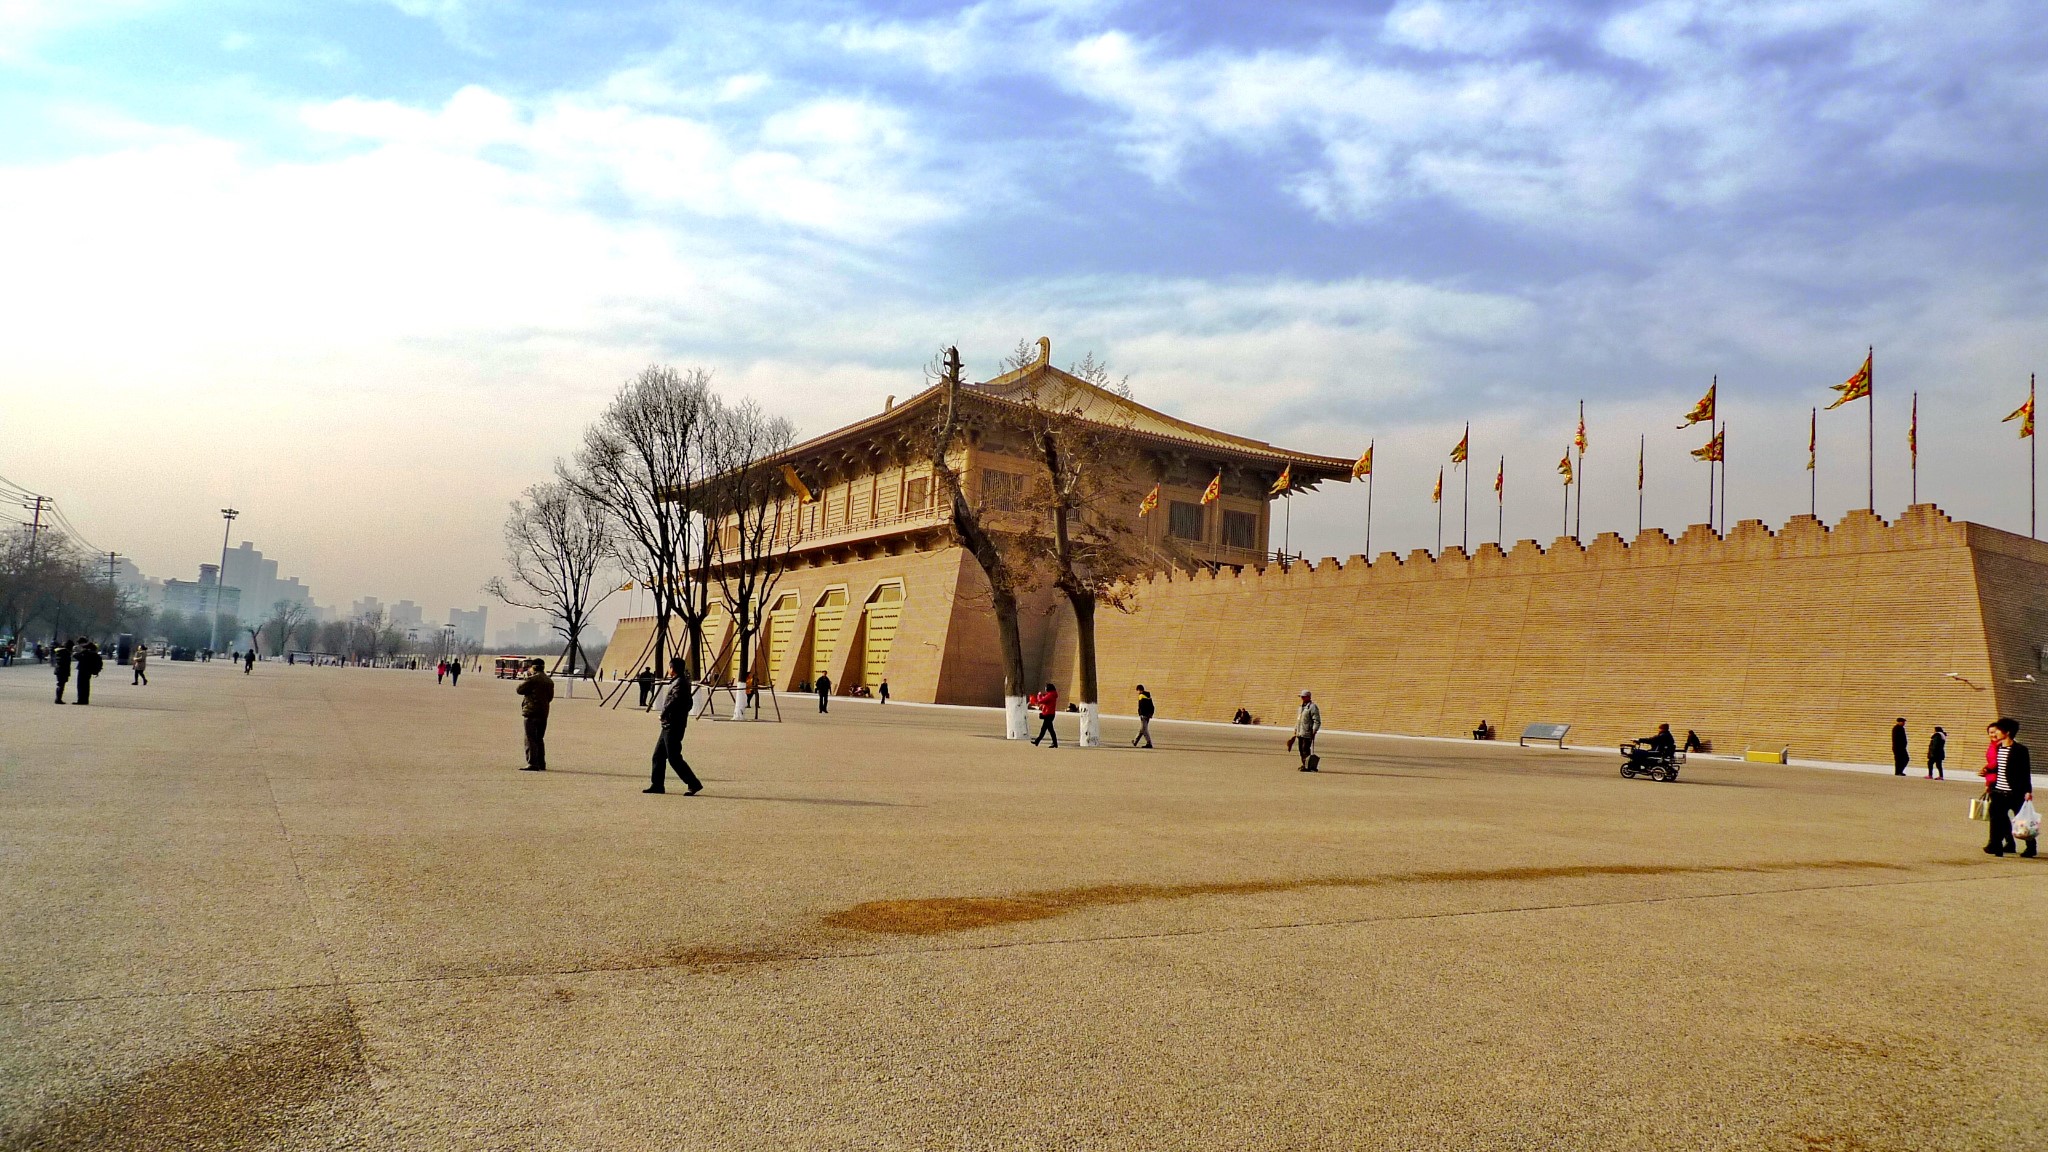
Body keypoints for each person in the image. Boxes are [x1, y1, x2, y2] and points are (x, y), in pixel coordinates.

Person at [645, 656, 703, 795]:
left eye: (669, 667)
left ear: (673, 669)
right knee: (658, 756)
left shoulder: (680, 683)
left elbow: (675, 701)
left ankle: (693, 783)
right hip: (669, 725)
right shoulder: (679, 681)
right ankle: (657, 785)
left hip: (673, 726)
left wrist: (664, 714)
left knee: (674, 758)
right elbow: (688, 704)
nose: (668, 669)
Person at [1984, 718, 2034, 857]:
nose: (1996, 733)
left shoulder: (2020, 750)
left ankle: (2031, 846)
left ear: (2007, 732)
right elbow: (1996, 767)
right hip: (1998, 790)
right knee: (1996, 819)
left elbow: (2025, 771)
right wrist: (1987, 774)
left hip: (2015, 792)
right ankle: (1996, 845)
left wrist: (2028, 791)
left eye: (1998, 730)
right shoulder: (1998, 748)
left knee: (2022, 820)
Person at [516, 658, 554, 771]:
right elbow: (550, 697)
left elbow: (519, 690)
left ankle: (533, 763)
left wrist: (527, 677)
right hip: (543, 713)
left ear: (533, 667)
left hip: (531, 712)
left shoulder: (532, 679)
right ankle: (541, 763)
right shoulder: (549, 681)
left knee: (530, 738)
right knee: (539, 738)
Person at [1291, 690, 1322, 770]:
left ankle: (1307, 765)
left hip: (1307, 732)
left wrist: (1314, 730)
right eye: (1301, 697)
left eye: (1303, 697)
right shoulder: (1301, 707)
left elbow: (1317, 720)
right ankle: (1304, 764)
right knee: (1301, 750)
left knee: (1306, 749)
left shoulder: (1312, 707)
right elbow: (1298, 720)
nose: (1302, 698)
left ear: (1308, 697)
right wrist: (1295, 729)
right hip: (1300, 732)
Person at [1030, 682, 1060, 747]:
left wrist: (1039, 695)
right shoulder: (1052, 694)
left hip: (1048, 714)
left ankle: (1053, 743)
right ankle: (1038, 741)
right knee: (1048, 729)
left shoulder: (1050, 695)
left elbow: (1041, 701)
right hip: (1050, 714)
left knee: (1046, 729)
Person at [75, 640, 102, 705]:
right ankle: (85, 700)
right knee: (86, 686)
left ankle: (80, 700)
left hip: (82, 670)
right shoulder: (95, 654)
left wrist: (81, 651)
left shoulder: (85, 653)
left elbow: (76, 656)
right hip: (89, 671)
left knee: (80, 686)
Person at [51, 639, 71, 704]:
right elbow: (66, 663)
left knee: (60, 684)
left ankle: (58, 698)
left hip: (58, 670)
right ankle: (58, 699)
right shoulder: (66, 653)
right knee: (61, 685)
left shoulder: (59, 652)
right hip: (63, 671)